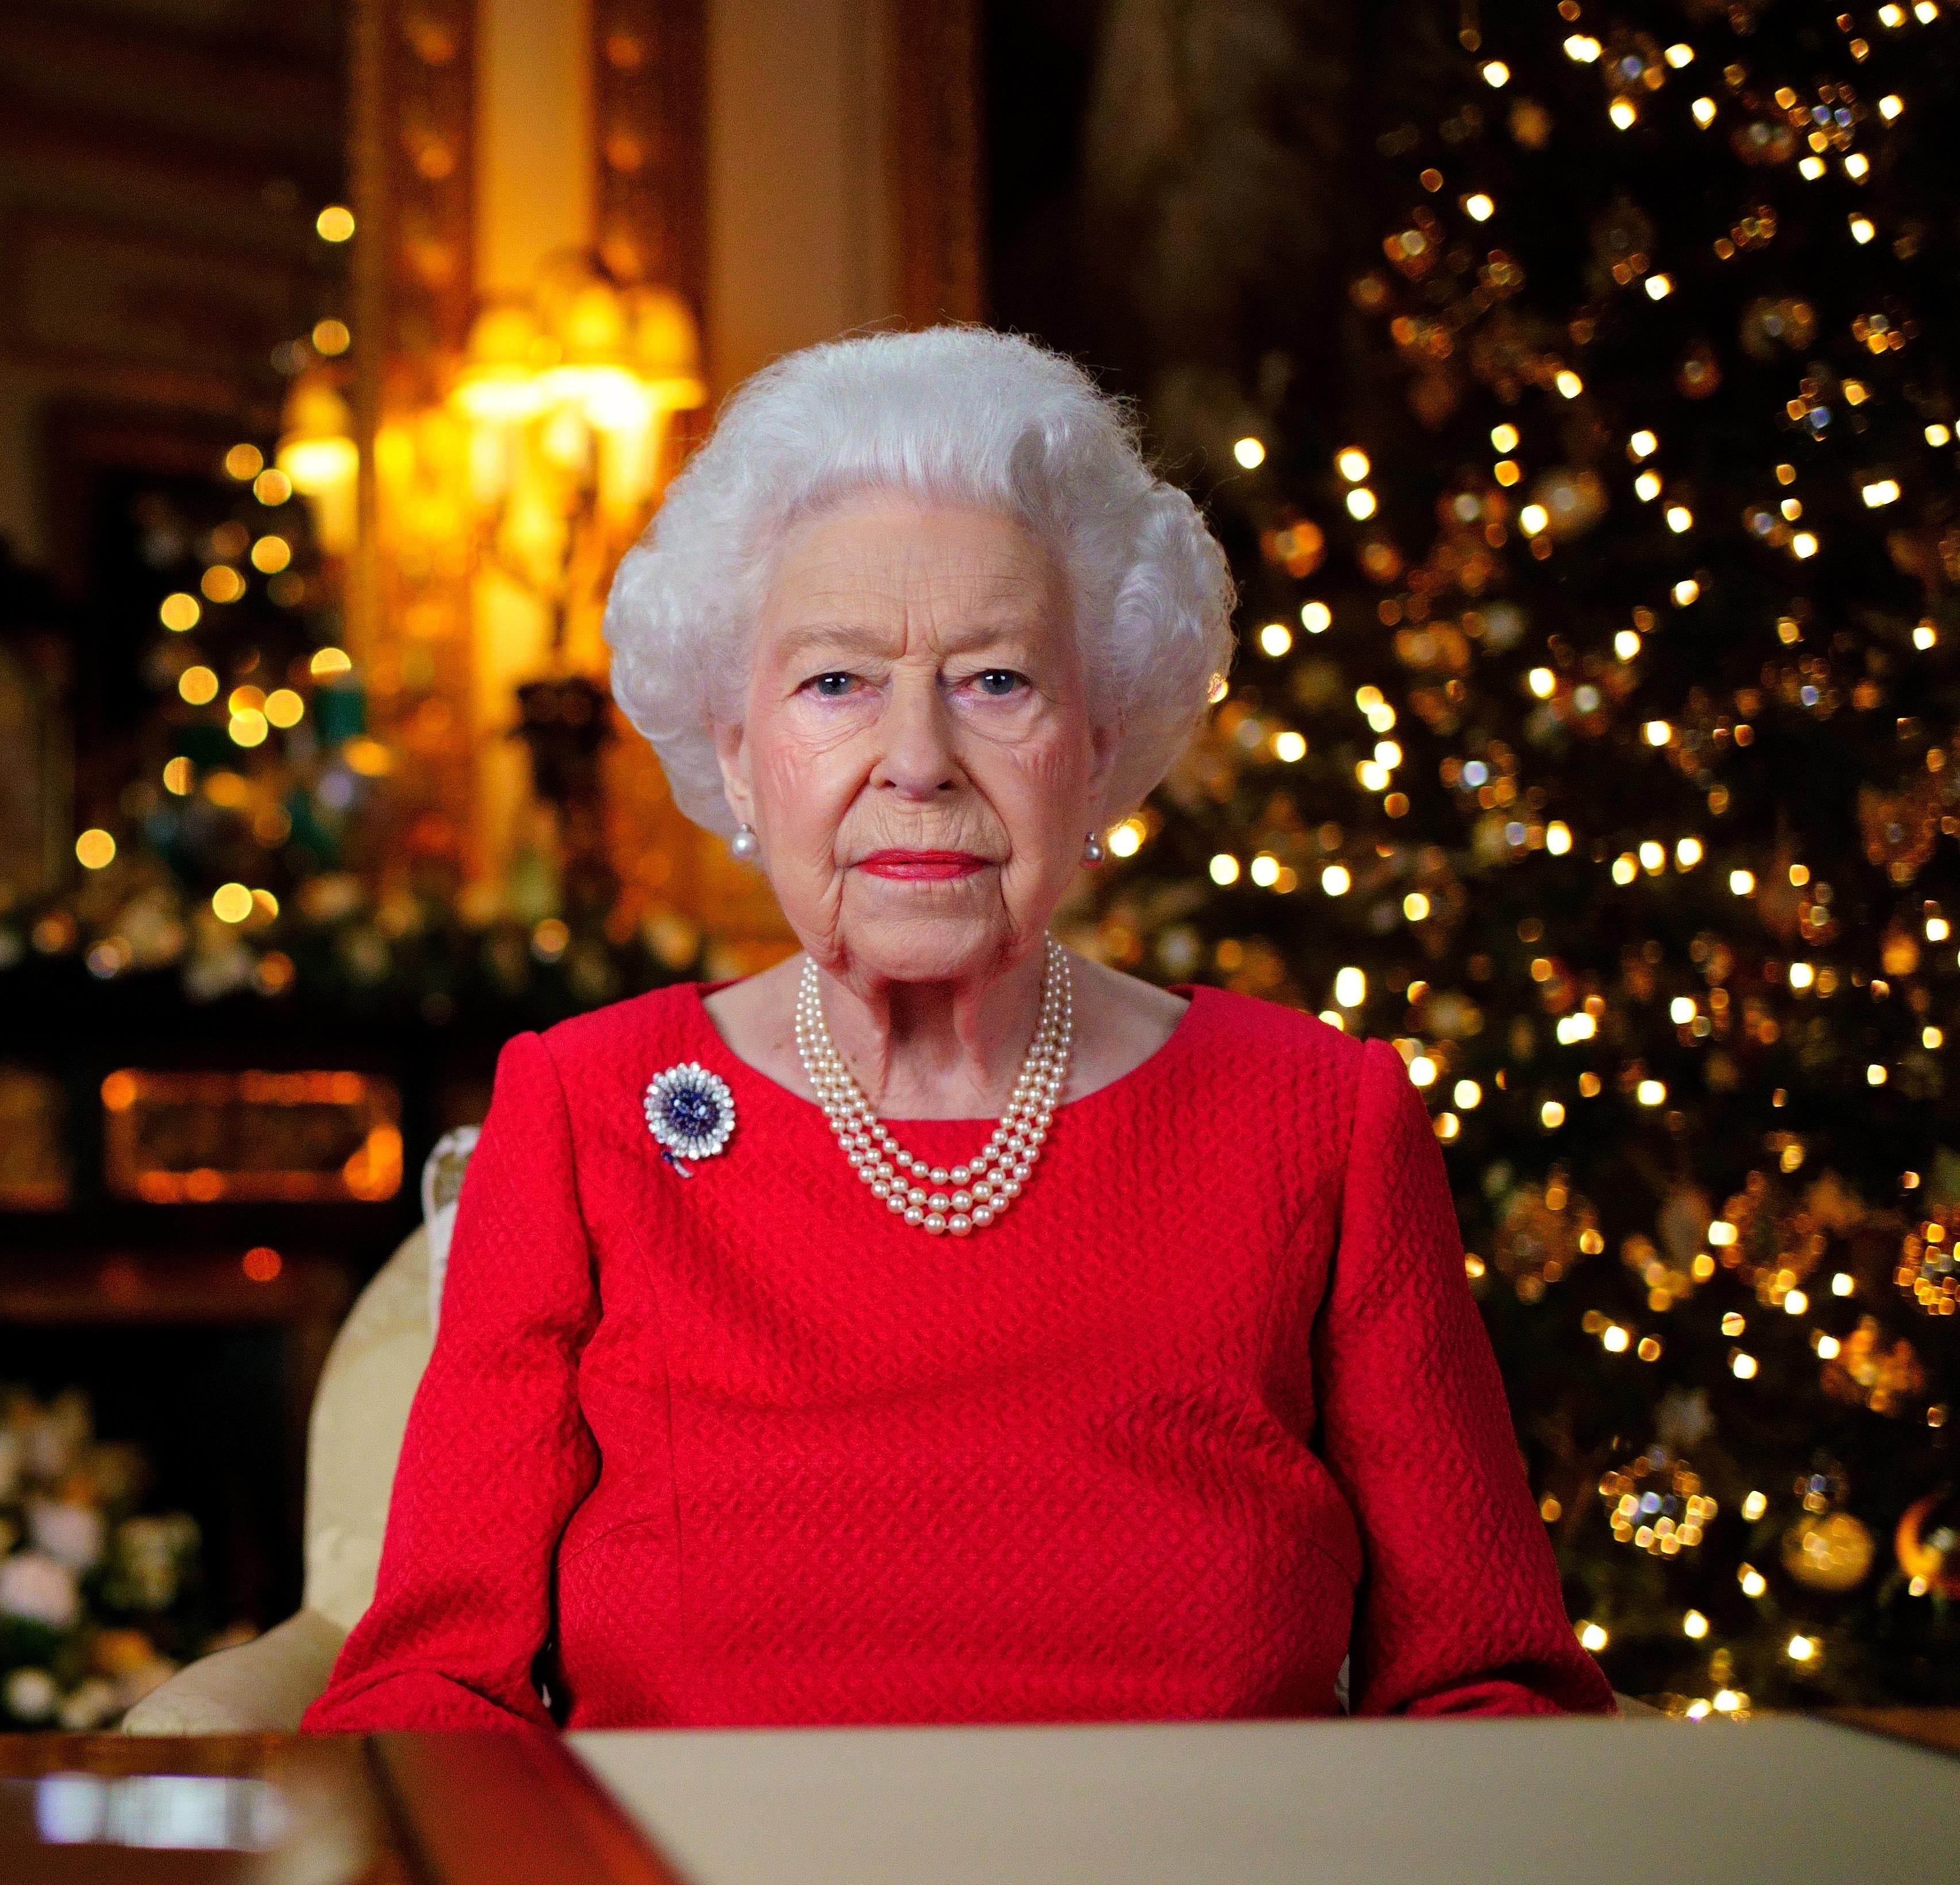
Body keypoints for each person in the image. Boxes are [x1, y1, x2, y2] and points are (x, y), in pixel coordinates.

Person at [307, 326, 1615, 1734]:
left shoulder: (1311, 1115)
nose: (918, 759)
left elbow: (1487, 1687)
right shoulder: (583, 1108)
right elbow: (429, 1693)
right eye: (834, 683)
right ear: (738, 748)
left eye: (994, 680)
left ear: (1099, 741)